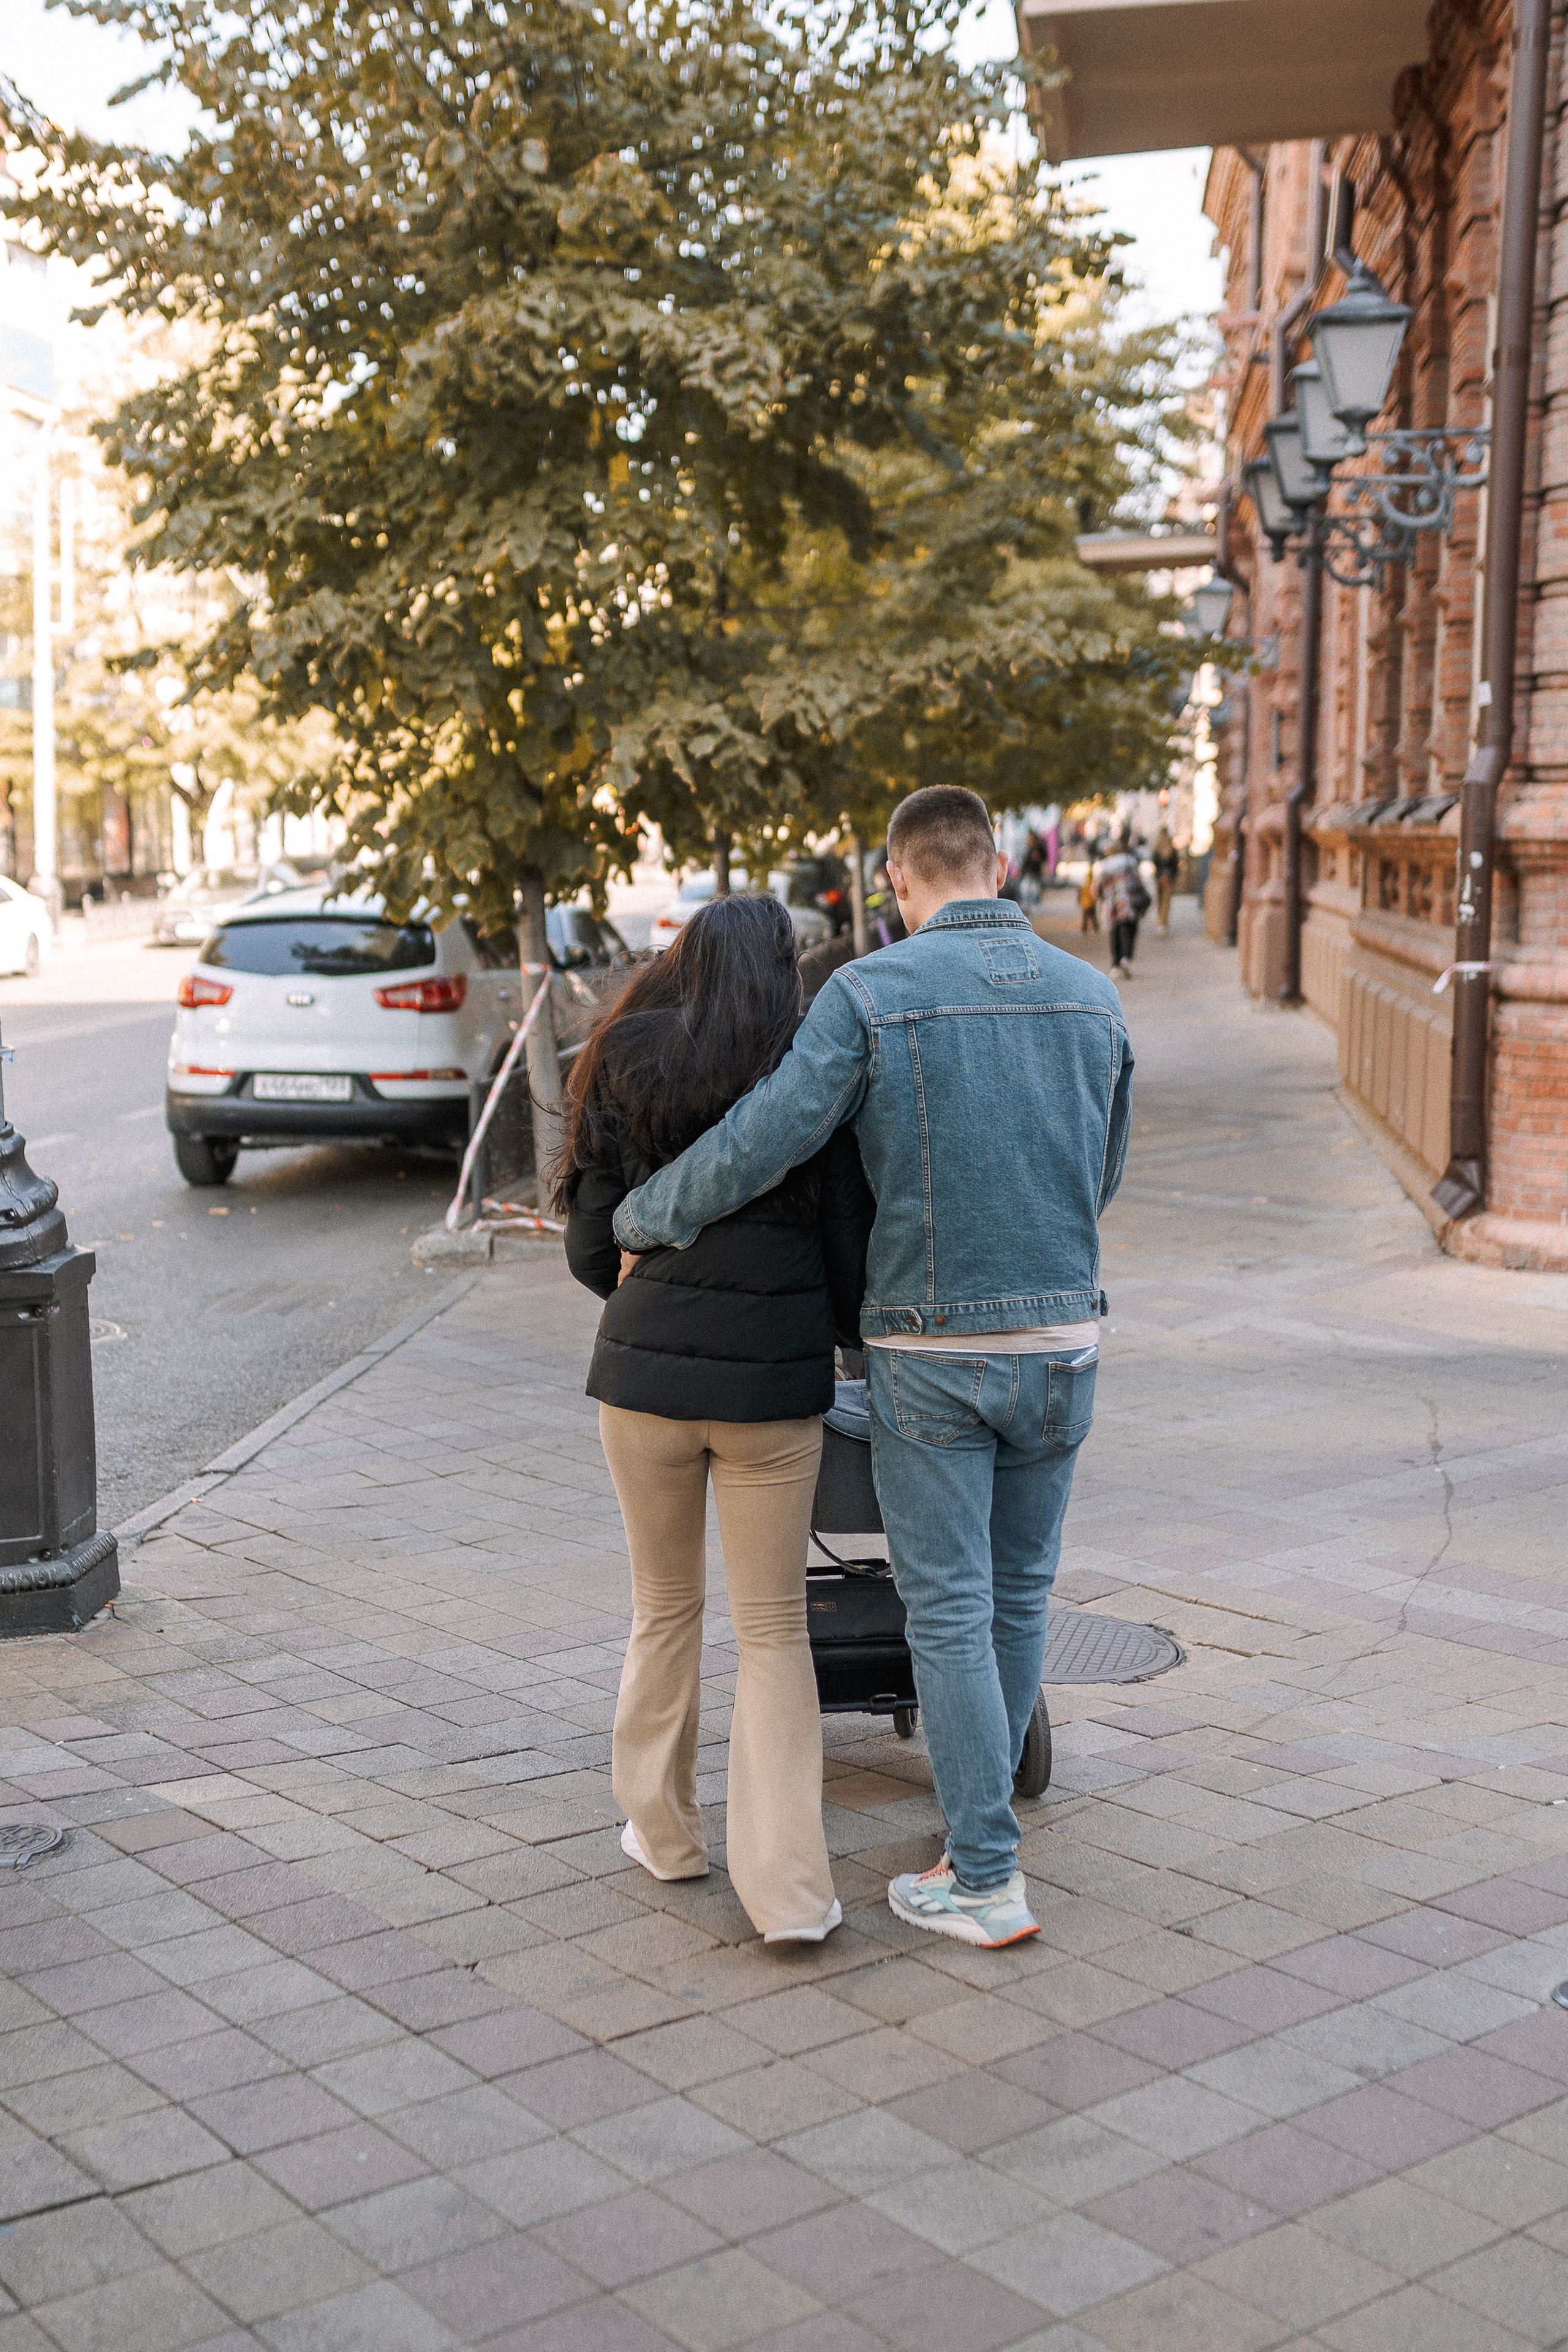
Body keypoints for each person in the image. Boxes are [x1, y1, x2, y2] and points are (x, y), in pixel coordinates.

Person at [613, 786, 1133, 1950]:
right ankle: (971, 1841)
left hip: (930, 1352)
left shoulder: (871, 993)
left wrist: (649, 1213)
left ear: (897, 883)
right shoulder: (1094, 997)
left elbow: (767, 1140)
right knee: (1017, 1596)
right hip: (1063, 1344)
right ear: (996, 861)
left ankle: (987, 1876)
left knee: (943, 1607)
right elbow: (1101, 1173)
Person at [553, 892, 873, 1945]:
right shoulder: (806, 1064)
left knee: (664, 1609)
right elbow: (844, 1248)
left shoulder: (628, 1052)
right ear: (784, 971)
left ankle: (665, 1834)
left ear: (685, 957)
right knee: (775, 1630)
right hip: (771, 1397)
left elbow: (592, 1249)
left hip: (640, 1384)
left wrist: (657, 1302)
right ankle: (787, 1897)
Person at [1096, 832, 1141, 978]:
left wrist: (1103, 900)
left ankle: (1115, 964)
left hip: (1112, 904)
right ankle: (1126, 958)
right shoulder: (1129, 861)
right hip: (1128, 902)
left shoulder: (1104, 866)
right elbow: (1138, 881)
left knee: (1115, 932)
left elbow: (1096, 889)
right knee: (1130, 930)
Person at [1153, 827, 1181, 931]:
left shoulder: (1157, 847)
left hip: (1160, 877)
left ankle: (1161, 921)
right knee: (1166, 901)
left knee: (1160, 900)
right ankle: (1163, 922)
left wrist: (1161, 875)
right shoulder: (1171, 848)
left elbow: (1155, 863)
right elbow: (1175, 864)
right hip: (1168, 877)